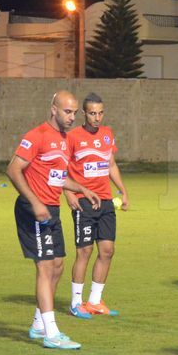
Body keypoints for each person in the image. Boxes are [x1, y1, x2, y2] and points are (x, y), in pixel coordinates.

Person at [6, 91, 101, 350]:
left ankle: (39, 324)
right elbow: (13, 169)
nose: (72, 117)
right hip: (32, 209)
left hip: (51, 208)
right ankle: (52, 332)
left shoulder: (64, 140)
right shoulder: (36, 135)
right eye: (67, 111)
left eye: (74, 113)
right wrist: (35, 203)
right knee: (46, 267)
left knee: (58, 265)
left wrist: (82, 189)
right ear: (53, 109)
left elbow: (56, 177)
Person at [64, 93, 128, 319]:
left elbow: (111, 164)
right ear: (84, 113)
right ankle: (75, 303)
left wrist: (123, 190)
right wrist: (68, 193)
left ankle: (94, 301)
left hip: (106, 201)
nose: (97, 117)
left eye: (100, 113)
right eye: (92, 113)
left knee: (107, 250)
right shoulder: (72, 137)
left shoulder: (108, 134)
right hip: (83, 200)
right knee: (85, 251)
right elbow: (61, 167)